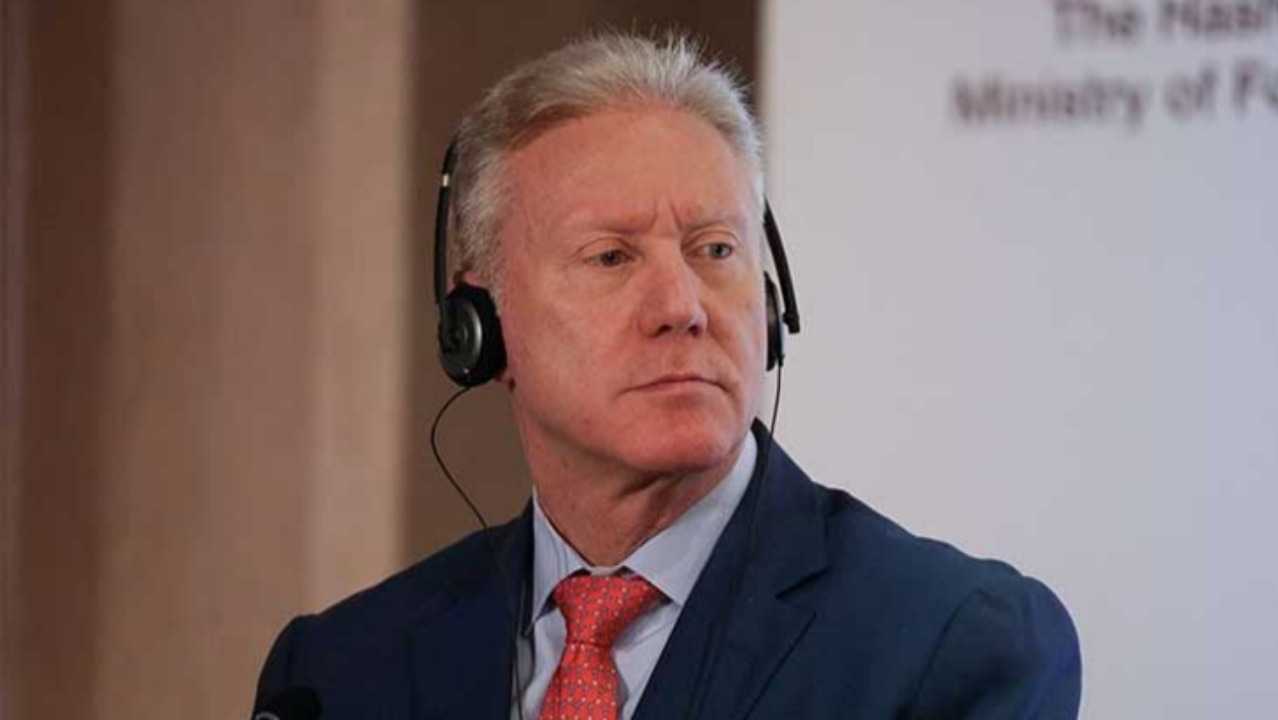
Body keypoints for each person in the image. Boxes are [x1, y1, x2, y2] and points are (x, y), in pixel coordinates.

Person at [253, 32, 1081, 720]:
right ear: (482, 326)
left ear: (768, 301)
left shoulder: (953, 648)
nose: (683, 306)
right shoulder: (337, 674)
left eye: (715, 249)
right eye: (611, 257)